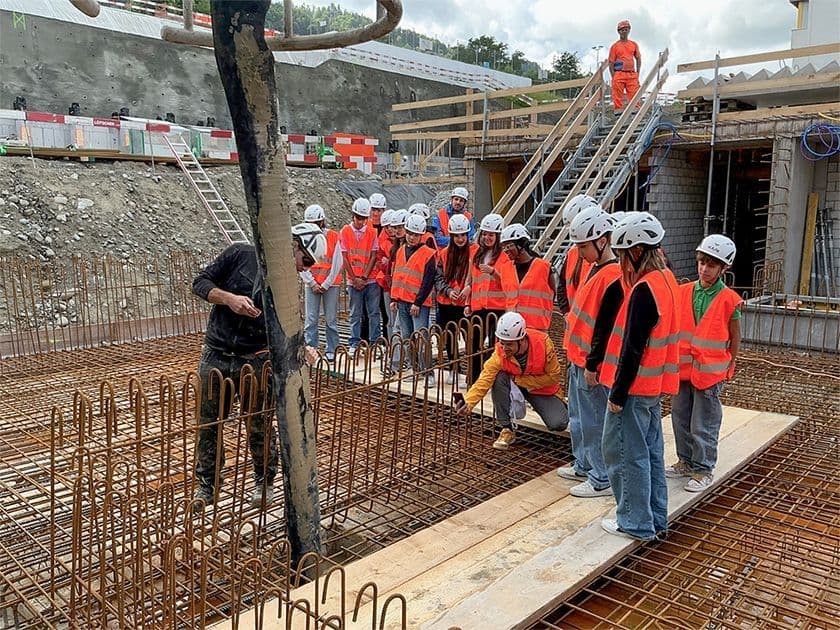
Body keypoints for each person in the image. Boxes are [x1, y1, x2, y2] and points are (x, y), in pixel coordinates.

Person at [191, 223, 327, 512]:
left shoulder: (287, 284)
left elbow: (288, 328)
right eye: (305, 262)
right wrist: (230, 300)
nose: (305, 270)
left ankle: (263, 480)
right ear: (294, 245)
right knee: (208, 424)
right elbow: (200, 283)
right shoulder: (239, 254)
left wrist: (303, 348)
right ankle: (207, 486)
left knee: (258, 424)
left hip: (255, 359)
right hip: (216, 354)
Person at [599, 212, 680, 541]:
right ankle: (655, 518)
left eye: (621, 255)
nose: (620, 263)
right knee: (649, 452)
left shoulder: (645, 290)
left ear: (635, 252)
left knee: (622, 452)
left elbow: (632, 348)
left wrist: (617, 395)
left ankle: (633, 522)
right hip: (653, 386)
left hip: (633, 390)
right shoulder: (668, 281)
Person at [556, 206, 624, 499]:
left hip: (591, 363)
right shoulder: (596, 269)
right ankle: (583, 463)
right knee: (580, 417)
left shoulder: (612, 275)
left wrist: (593, 365)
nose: (580, 252)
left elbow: (604, 327)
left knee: (595, 420)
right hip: (578, 356)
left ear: (602, 241)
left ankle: (601, 477)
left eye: (583, 246)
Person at [668, 235, 741, 492]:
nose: (704, 269)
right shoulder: (684, 292)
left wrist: (730, 364)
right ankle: (685, 461)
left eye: (711, 265)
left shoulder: (729, 300)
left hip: (710, 373)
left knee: (704, 422)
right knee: (680, 417)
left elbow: (735, 336)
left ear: (723, 268)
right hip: (684, 369)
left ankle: (703, 469)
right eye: (701, 262)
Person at [454, 312, 569, 450]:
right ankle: (506, 428)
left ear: (522, 340)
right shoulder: (500, 352)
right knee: (498, 376)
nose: (504, 348)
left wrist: (521, 381)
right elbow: (484, 379)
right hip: (515, 384)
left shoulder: (543, 344)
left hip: (541, 389)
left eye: (509, 344)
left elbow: (554, 377)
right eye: (501, 343)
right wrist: (469, 402)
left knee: (559, 423)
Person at [463, 213, 515, 384]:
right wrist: (467, 303)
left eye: (490, 235)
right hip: (479, 307)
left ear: (498, 236)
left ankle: (493, 380)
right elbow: (471, 280)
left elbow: (508, 283)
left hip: (497, 307)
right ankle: (474, 379)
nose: (486, 237)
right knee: (473, 344)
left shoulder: (504, 256)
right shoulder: (477, 253)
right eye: (484, 234)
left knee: (496, 346)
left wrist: (494, 273)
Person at [390, 214, 438, 387]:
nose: (412, 237)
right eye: (410, 233)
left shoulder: (428, 254)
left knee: (421, 338)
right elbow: (398, 275)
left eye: (415, 234)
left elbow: (428, 281)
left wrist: (418, 303)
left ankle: (428, 372)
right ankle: (414, 369)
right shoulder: (401, 250)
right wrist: (394, 298)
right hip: (402, 301)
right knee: (407, 337)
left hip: (418, 305)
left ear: (421, 235)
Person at [435, 213, 476, 386]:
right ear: (451, 236)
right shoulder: (444, 254)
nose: (460, 239)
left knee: (471, 339)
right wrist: (448, 291)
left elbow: (479, 276)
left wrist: (469, 289)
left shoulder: (475, 252)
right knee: (449, 336)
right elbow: (438, 278)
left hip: (467, 303)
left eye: (463, 235)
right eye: (456, 236)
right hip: (447, 302)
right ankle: (454, 369)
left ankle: (472, 374)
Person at [300, 204, 342, 362]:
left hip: (330, 285)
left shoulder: (333, 236)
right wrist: (312, 282)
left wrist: (325, 284)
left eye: (316, 223)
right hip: (312, 284)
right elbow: (300, 264)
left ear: (322, 222)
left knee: (331, 319)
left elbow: (337, 263)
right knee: (311, 320)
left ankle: (332, 349)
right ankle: (311, 350)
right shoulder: (304, 238)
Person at [340, 198, 381, 357]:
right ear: (353, 215)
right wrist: (354, 278)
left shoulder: (372, 231)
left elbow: (373, 255)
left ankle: (375, 343)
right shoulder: (345, 231)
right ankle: (354, 343)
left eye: (364, 219)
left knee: (373, 313)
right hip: (353, 281)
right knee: (355, 313)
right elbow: (344, 257)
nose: (361, 221)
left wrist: (363, 277)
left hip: (369, 280)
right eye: (358, 218)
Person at [499, 223, 556, 332]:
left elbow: (552, 294)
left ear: (521, 245)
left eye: (508, 245)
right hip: (512, 329)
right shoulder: (505, 269)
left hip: (537, 329)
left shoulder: (543, 267)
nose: (505, 250)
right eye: (503, 246)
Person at [556, 194, 597, 320]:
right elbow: (562, 285)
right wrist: (566, 312)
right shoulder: (572, 254)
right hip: (574, 322)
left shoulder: (607, 259)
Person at [609, 19, 642, 115]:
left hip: (631, 73)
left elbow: (638, 58)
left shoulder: (633, 44)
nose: (624, 31)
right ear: (618, 31)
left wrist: (637, 72)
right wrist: (613, 76)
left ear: (629, 30)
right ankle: (618, 112)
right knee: (617, 94)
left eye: (626, 29)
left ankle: (635, 112)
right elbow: (611, 62)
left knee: (634, 93)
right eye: (622, 29)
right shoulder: (615, 46)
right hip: (619, 73)